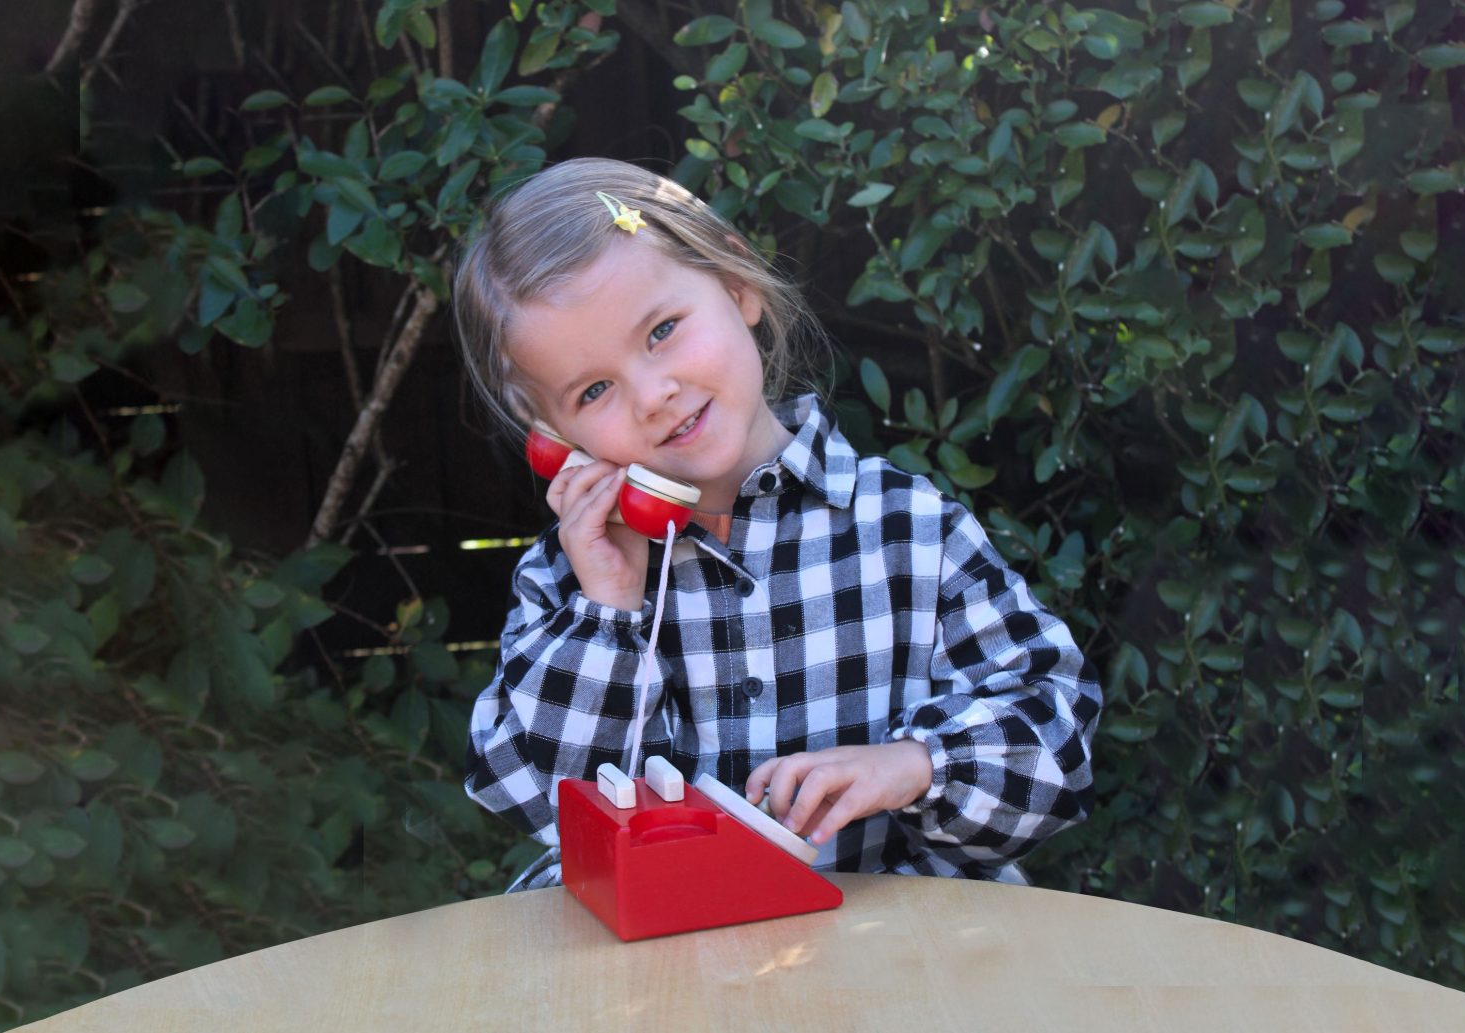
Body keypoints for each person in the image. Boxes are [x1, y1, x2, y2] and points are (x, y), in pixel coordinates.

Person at [455, 157, 1101, 890]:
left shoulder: (909, 531)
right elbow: (537, 804)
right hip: (671, 984)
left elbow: (1058, 741)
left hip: (891, 967)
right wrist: (608, 607)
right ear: (552, 434)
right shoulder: (571, 580)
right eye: (595, 389)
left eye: (662, 330)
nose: (653, 394)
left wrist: (915, 764)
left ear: (738, 284)